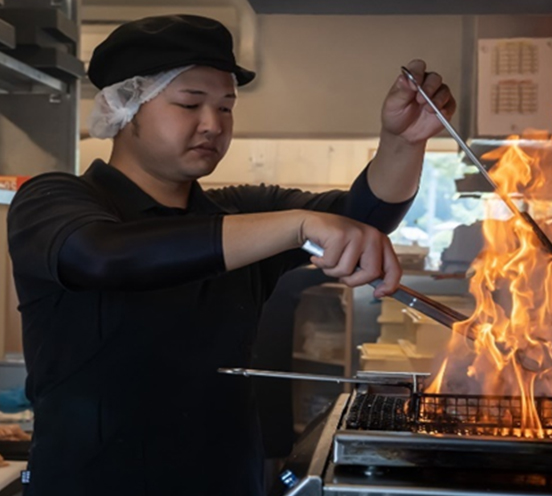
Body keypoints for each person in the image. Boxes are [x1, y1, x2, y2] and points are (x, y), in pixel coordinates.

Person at [6, 14, 454, 496]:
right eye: (189, 103)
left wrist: (403, 142)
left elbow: (359, 219)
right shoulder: (55, 200)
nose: (212, 124)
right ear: (124, 106)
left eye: (225, 107)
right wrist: (296, 224)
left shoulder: (239, 211)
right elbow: (102, 257)